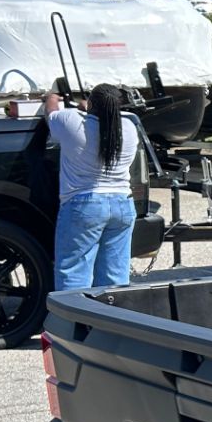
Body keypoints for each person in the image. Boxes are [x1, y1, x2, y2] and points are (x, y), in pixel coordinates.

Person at [41, 84, 141, 290]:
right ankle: (111, 320)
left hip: (84, 205)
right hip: (123, 204)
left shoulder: (71, 121)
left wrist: (51, 96)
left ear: (91, 104)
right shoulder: (130, 128)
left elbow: (51, 112)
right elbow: (108, 121)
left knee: (74, 273)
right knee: (115, 277)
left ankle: (74, 321)